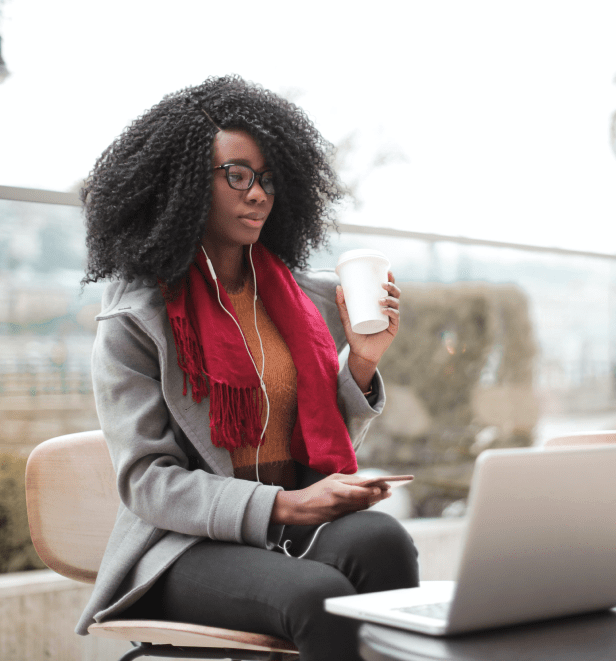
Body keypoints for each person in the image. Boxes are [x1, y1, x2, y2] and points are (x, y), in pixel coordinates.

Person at [75, 75, 419, 660]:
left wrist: (362, 361)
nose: (257, 193)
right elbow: (147, 482)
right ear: (182, 184)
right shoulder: (137, 317)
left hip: (289, 520)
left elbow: (313, 431)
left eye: (267, 178)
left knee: (386, 541)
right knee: (319, 596)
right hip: (184, 546)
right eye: (237, 175)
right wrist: (284, 506)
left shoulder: (300, 298)